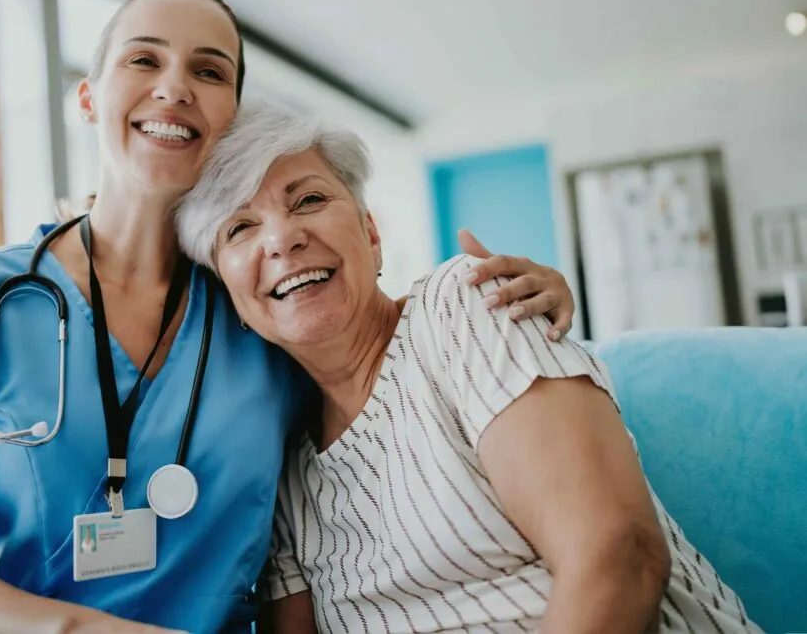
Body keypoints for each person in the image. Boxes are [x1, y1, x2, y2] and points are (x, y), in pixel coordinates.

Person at [0, 0, 577, 634]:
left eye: (208, 70)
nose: (174, 86)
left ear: (230, 117)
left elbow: (380, 345)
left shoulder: (259, 306)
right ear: (89, 97)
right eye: (143, 59)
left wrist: (503, 298)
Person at [175, 102, 761, 634]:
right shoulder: (279, 465)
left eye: (308, 200)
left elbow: (619, 557)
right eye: (240, 227)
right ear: (228, 295)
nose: (283, 239)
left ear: (371, 235)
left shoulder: (461, 307)